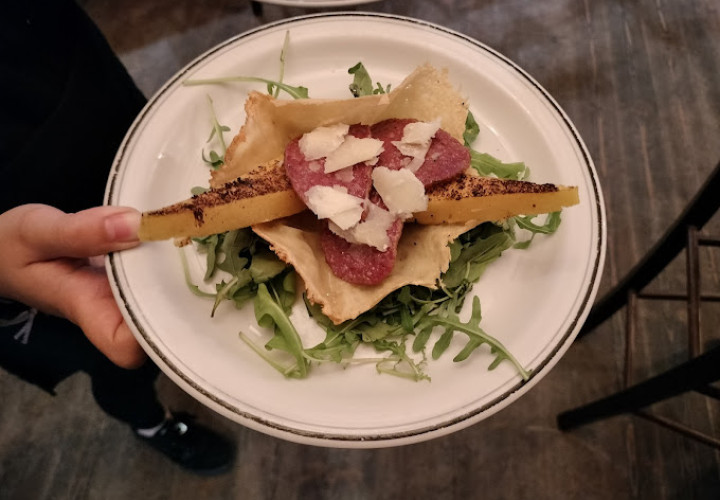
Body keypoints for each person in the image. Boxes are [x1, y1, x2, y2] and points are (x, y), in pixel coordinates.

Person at [0, 0, 235, 475]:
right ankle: (151, 423)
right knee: (115, 355)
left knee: (178, 243)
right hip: (15, 241)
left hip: (61, 65)